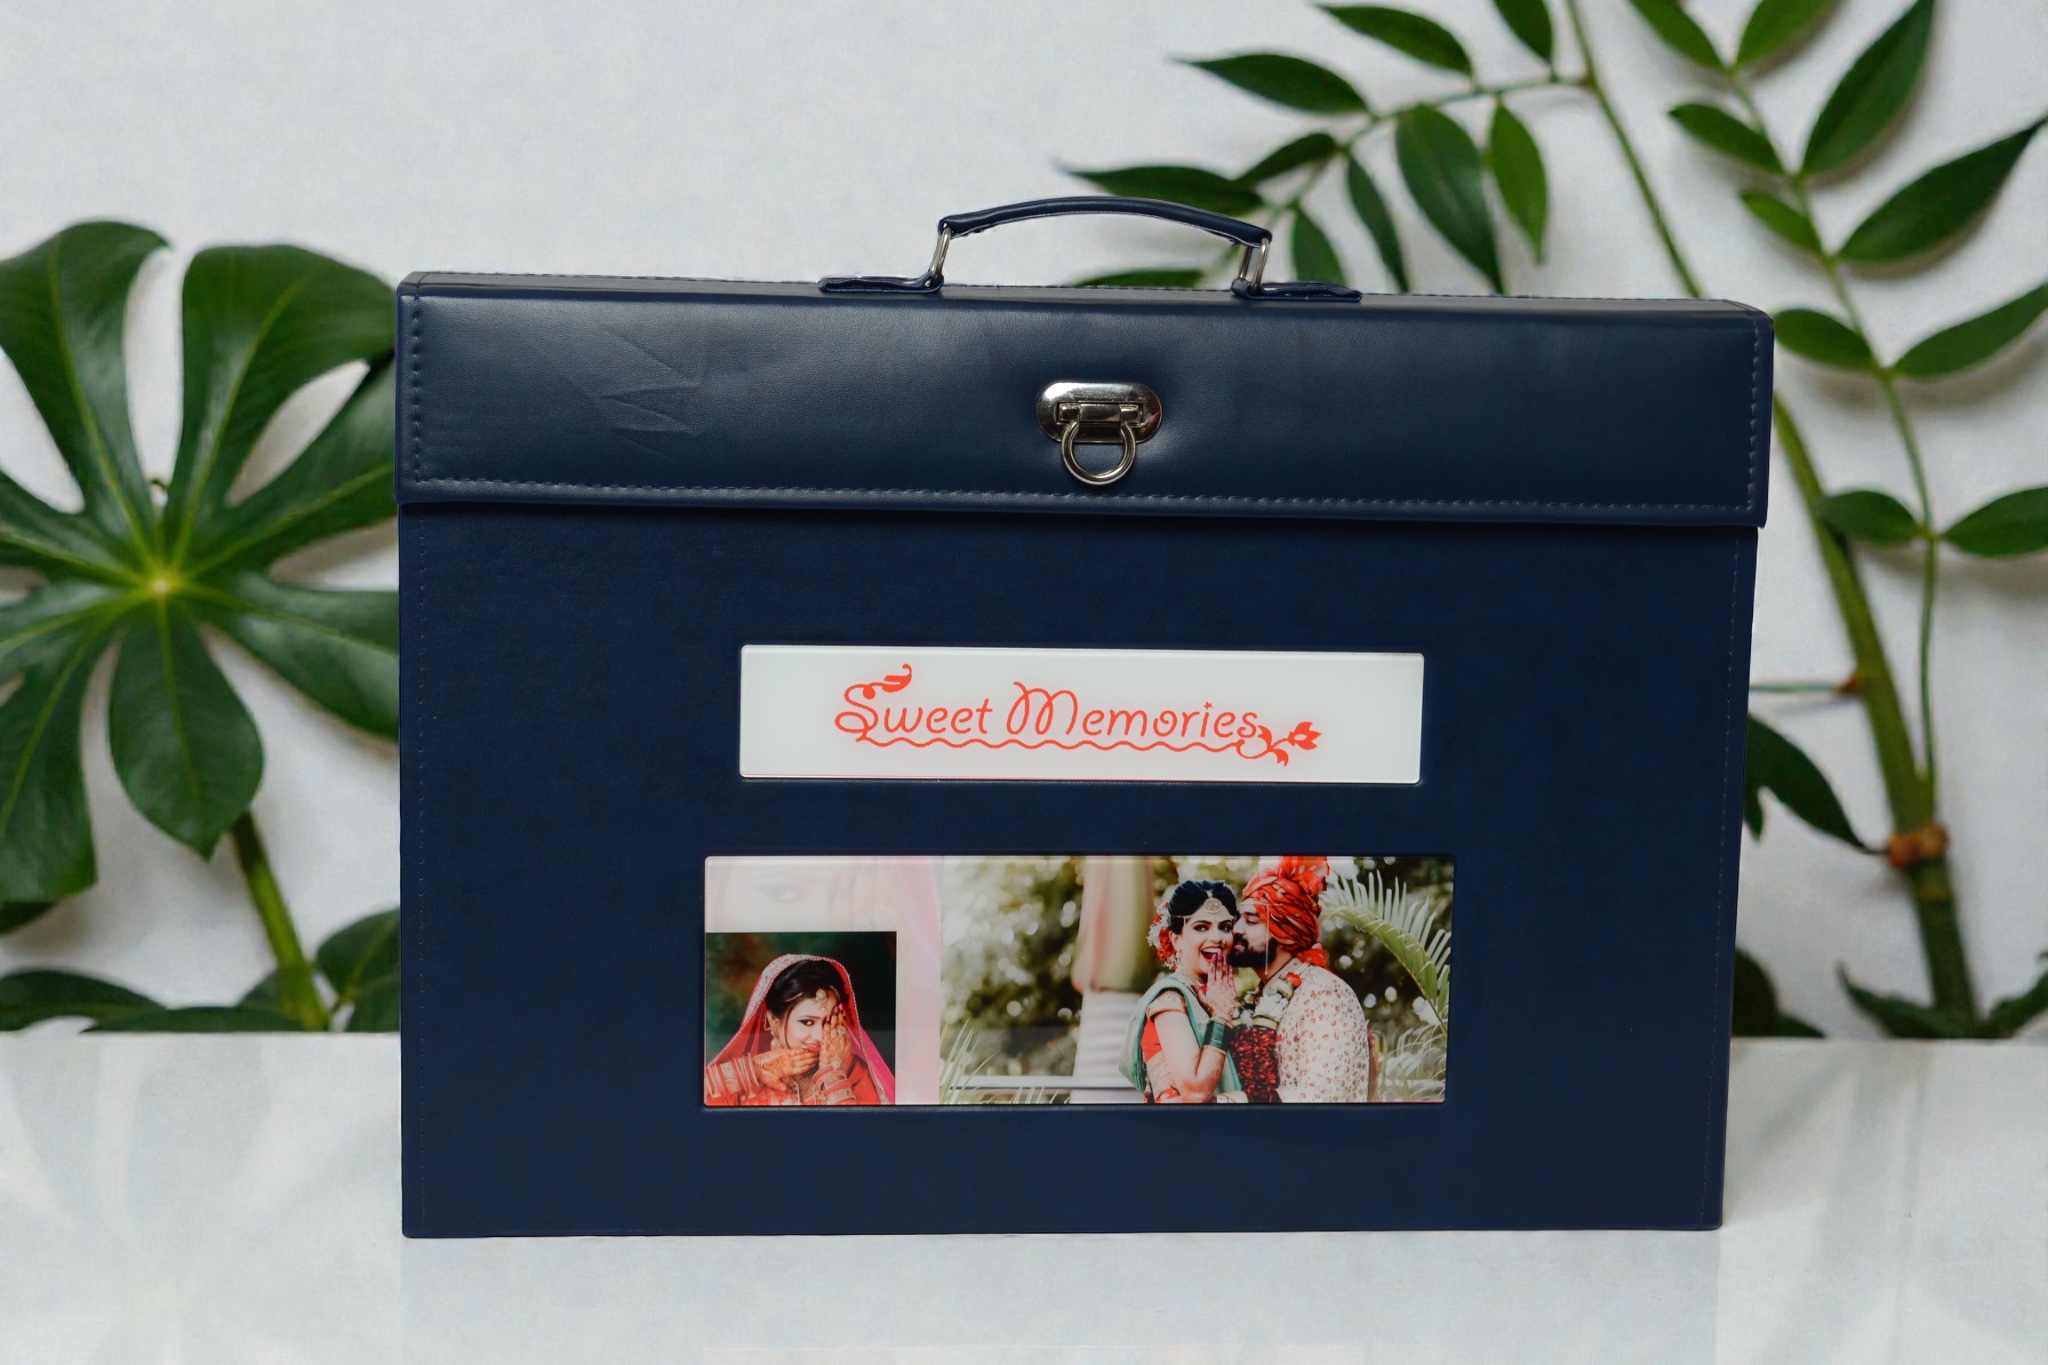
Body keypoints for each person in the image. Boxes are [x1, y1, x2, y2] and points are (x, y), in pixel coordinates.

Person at [1228, 857, 1378, 1102]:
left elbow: (1323, 1096)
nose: (1236, 929)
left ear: (1285, 932)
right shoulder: (1261, 995)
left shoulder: (1325, 994)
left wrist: (1232, 1101)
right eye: (1238, 919)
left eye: (1251, 920)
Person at [704, 955, 895, 1106]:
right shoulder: (742, 1078)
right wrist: (754, 1070)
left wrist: (833, 1077)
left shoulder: (855, 1072)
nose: (819, 1036)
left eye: (829, 1023)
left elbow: (864, 1137)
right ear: (772, 1020)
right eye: (807, 1022)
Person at [1119, 880, 1246, 1103]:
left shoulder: (1218, 997)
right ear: (1175, 939)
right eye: (1201, 927)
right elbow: (1196, 1092)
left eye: (1225, 927)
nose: (1217, 938)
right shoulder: (1170, 1000)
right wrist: (1221, 1017)